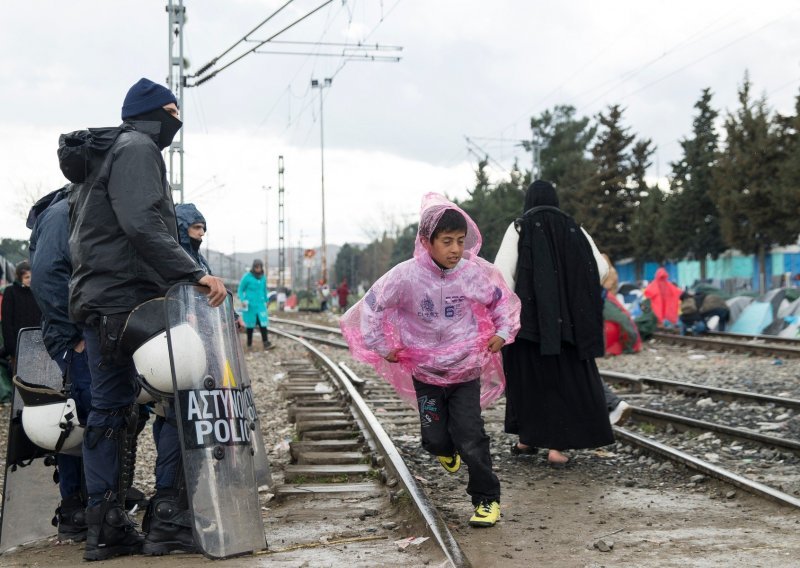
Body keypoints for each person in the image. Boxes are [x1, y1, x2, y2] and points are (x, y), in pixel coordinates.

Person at [67, 77, 227, 560]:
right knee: (181, 397)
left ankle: (105, 527)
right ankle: (170, 521)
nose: (178, 120)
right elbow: (143, 224)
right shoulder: (138, 149)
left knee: (110, 410)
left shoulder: (99, 159)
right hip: (133, 304)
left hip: (99, 306)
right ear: (153, 113)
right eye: (173, 111)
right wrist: (194, 273)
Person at [341, 193, 520, 528]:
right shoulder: (404, 276)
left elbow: (501, 303)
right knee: (434, 438)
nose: (455, 249)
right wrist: (382, 346)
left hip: (465, 368)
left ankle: (486, 499)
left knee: (471, 434)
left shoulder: (472, 274)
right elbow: (373, 307)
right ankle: (444, 449)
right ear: (426, 242)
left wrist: (503, 332)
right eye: (447, 241)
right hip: (425, 371)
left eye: (461, 241)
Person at [494, 180, 615, 466]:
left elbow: (501, 274)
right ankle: (557, 450)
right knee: (563, 383)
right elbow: (600, 269)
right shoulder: (575, 227)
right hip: (568, 326)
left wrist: (510, 311)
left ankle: (526, 441)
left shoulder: (520, 226)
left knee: (527, 381)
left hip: (529, 326)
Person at [26, 187, 92, 541]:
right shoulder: (61, 215)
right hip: (74, 337)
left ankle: (87, 504)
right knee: (81, 419)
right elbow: (49, 277)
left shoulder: (73, 211)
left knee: (88, 417)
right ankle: (76, 508)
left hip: (84, 334)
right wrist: (74, 335)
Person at [1, 260, 42, 369]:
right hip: (18, 346)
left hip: (38, 346)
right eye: (27, 277)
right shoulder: (10, 292)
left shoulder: (38, 292)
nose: (30, 280)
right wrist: (12, 349)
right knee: (19, 380)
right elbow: (7, 323)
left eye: (32, 277)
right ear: (19, 277)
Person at [238, 259, 273, 350]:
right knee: (250, 325)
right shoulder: (247, 277)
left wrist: (267, 300)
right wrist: (242, 300)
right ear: (253, 267)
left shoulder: (263, 278)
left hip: (261, 305)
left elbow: (264, 290)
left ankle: (266, 343)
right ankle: (249, 344)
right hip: (250, 306)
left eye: (260, 267)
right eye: (256, 267)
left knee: (263, 324)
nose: (258, 269)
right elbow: (240, 289)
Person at [175, 203, 212, 273]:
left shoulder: (199, 259)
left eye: (203, 228)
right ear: (181, 228)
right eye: (197, 227)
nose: (202, 233)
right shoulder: (175, 259)